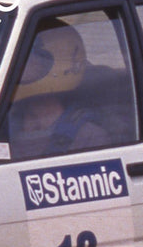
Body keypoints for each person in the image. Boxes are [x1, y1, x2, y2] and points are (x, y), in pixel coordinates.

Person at [6, 21, 108, 158]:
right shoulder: (0, 124)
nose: (12, 65)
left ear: (57, 65)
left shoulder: (88, 137)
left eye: (27, 58)